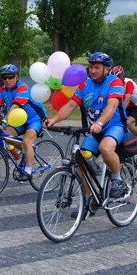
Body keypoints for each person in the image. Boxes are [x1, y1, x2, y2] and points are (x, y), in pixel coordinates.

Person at [45, 52, 128, 202]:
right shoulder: (85, 84)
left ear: (107, 69)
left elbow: (112, 106)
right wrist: (55, 119)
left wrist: (100, 123)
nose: (93, 71)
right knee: (81, 164)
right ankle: (88, 200)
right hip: (94, 129)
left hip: (115, 126)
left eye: (97, 67)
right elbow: (71, 105)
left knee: (105, 148)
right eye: (91, 67)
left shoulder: (114, 82)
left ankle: (117, 179)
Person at [0, 63, 47, 179]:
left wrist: (4, 120)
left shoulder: (22, 87)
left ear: (16, 77)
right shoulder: (2, 89)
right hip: (19, 119)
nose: (7, 80)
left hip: (34, 118)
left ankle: (28, 171)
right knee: (6, 136)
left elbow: (15, 107)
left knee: (27, 141)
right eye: (4, 78)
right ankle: (27, 151)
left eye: (10, 77)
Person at [110, 65, 137, 137]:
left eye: (119, 79)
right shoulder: (114, 85)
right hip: (130, 105)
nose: (117, 82)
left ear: (123, 77)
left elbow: (126, 101)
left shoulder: (129, 83)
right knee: (120, 123)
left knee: (129, 122)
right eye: (114, 80)